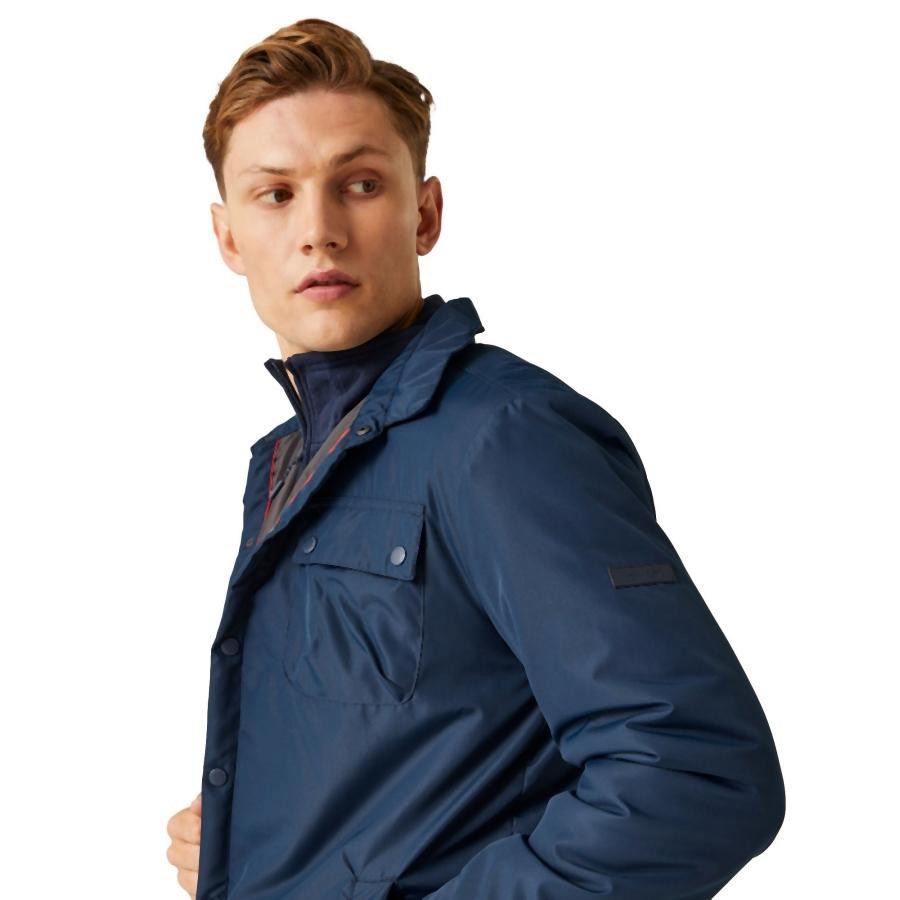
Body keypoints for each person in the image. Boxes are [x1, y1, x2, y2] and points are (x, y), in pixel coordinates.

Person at [165, 17, 785, 900]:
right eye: (276, 194)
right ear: (228, 237)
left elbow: (692, 771)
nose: (319, 231)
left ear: (424, 213)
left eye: (360, 184)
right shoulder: (294, 460)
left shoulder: (506, 437)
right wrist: (255, 843)